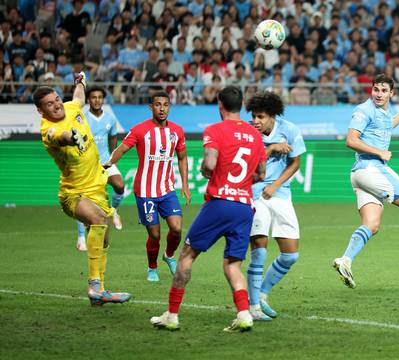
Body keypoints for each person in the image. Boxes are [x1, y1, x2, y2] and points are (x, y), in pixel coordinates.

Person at [150, 86, 267, 332]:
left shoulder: (214, 129)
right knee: (233, 264)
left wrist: (206, 170)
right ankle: (244, 314)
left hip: (219, 203)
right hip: (245, 207)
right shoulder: (256, 135)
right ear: (241, 105)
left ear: (220, 105)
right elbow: (261, 174)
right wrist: (242, 184)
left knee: (187, 256)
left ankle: (172, 314)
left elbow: (210, 163)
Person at [333, 74, 399, 289]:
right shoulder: (364, 110)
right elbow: (351, 140)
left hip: (362, 174)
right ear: (371, 90)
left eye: (383, 90)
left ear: (392, 93)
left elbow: (388, 125)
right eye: (375, 89)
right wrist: (379, 152)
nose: (378, 94)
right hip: (371, 169)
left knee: (371, 225)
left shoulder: (382, 112)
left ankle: (345, 260)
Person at [35, 72, 131, 306]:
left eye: (57, 99)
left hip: (97, 187)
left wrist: (81, 81)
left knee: (104, 238)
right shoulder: (48, 130)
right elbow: (61, 136)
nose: (56, 104)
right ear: (41, 111)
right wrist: (73, 137)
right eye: (49, 104)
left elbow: (78, 97)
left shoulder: (70, 106)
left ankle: (100, 293)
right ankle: (94, 286)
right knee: (98, 220)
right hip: (73, 194)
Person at [103, 91, 191, 282]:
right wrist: (109, 163)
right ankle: (152, 268)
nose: (162, 109)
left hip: (167, 189)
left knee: (176, 228)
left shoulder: (177, 131)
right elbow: (122, 148)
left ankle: (168, 256)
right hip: (145, 191)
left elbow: (182, 158)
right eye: (158, 105)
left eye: (165, 105)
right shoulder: (139, 130)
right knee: (155, 233)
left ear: (170, 107)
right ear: (151, 107)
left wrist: (185, 185)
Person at [244, 91, 306, 321]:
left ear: (272, 116)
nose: (256, 121)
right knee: (259, 251)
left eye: (260, 117)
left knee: (290, 256)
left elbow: (296, 162)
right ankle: (253, 307)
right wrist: (270, 149)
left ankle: (262, 294)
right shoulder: (249, 134)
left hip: (280, 195)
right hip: (255, 194)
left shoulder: (289, 130)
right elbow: (250, 164)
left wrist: (276, 185)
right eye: (253, 117)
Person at [76, 86, 125, 251]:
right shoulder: (82, 118)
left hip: (105, 161)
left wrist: (113, 160)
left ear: (103, 99)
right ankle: (81, 237)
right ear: (88, 99)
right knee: (82, 200)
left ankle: (114, 211)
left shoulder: (110, 119)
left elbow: (113, 140)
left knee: (120, 186)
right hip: (88, 165)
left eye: (99, 97)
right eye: (93, 97)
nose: (96, 100)